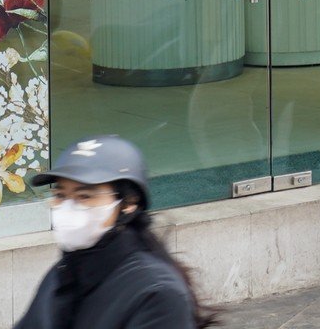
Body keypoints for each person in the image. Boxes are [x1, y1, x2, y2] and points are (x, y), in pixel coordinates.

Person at [14, 136, 215, 329]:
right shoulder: (61, 273)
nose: (68, 207)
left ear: (128, 204)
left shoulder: (157, 294)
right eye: (60, 195)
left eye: (85, 196)